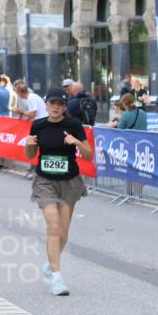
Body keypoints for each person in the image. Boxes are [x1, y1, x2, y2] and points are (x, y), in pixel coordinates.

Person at [23, 88, 93, 297]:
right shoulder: (38, 125)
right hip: (45, 181)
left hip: (69, 181)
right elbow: (31, 155)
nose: (55, 107)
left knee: (63, 232)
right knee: (53, 227)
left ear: (64, 107)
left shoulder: (73, 125)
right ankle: (56, 278)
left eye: (60, 104)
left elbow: (89, 155)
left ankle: (50, 261)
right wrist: (29, 144)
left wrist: (77, 142)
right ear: (46, 104)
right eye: (52, 103)